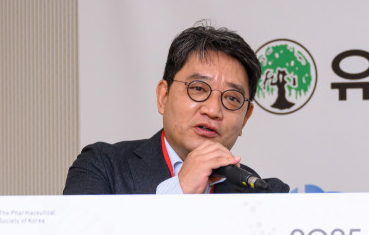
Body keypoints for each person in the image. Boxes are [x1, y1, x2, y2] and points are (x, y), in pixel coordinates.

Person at [63, 24, 289, 195]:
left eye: (231, 98)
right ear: (163, 96)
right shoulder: (102, 167)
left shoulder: (263, 194)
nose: (213, 110)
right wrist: (179, 189)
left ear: (245, 118)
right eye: (198, 88)